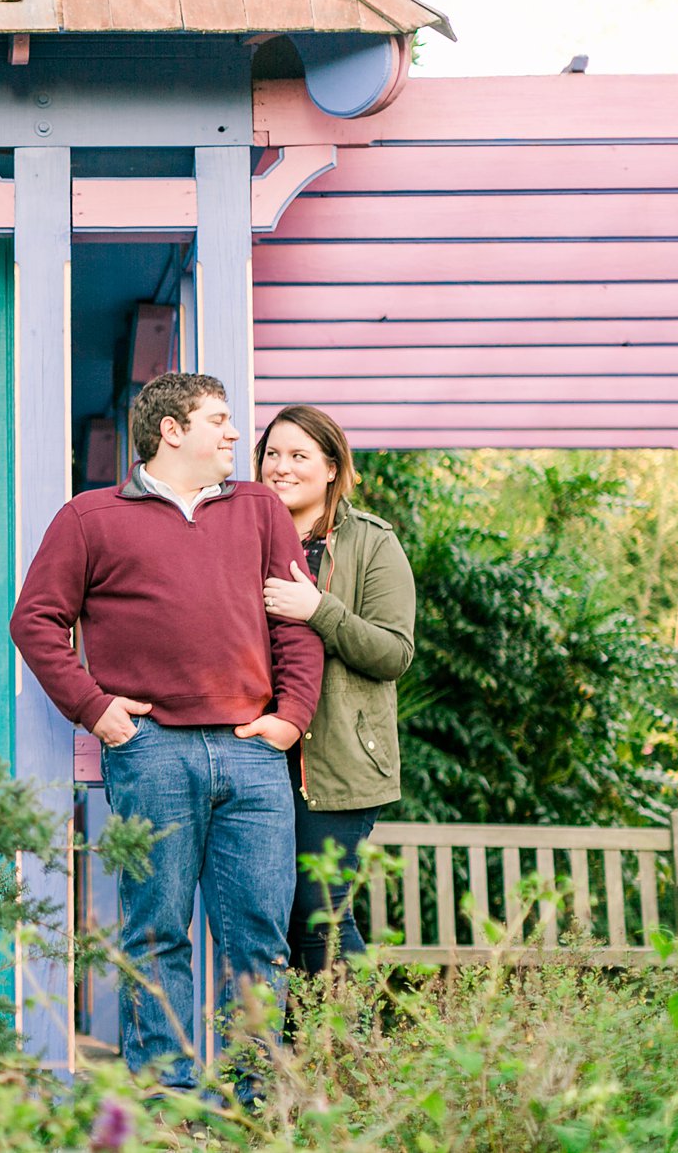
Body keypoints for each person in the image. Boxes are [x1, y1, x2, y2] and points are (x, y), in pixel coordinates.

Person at [11, 372, 324, 1093]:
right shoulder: (90, 517)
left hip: (252, 754)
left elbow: (295, 622)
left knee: (258, 940)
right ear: (171, 430)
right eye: (219, 419)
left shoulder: (259, 510)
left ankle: (248, 1103)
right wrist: (97, 710)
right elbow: (36, 620)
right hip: (152, 755)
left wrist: (290, 719)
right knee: (155, 935)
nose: (235, 435)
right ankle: (166, 1102)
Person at [255, 405, 416, 973]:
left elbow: (394, 652)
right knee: (270, 916)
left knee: (317, 914)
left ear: (331, 467)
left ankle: (351, 1054)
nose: (281, 467)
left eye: (299, 456)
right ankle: (301, 1053)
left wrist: (319, 610)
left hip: (342, 764)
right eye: (272, 454)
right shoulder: (239, 533)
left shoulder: (372, 542)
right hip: (254, 752)